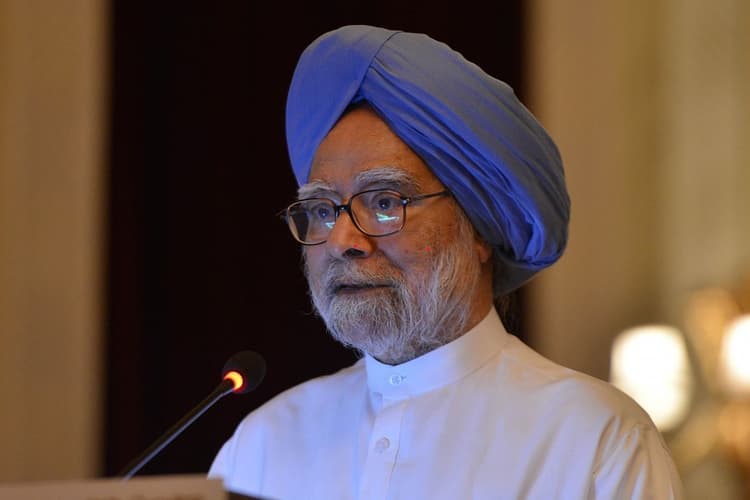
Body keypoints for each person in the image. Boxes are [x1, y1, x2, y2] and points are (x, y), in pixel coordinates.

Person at [209, 25, 683, 499]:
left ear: (478, 228)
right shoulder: (261, 448)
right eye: (322, 210)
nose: (342, 240)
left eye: (385, 202)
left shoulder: (596, 443)